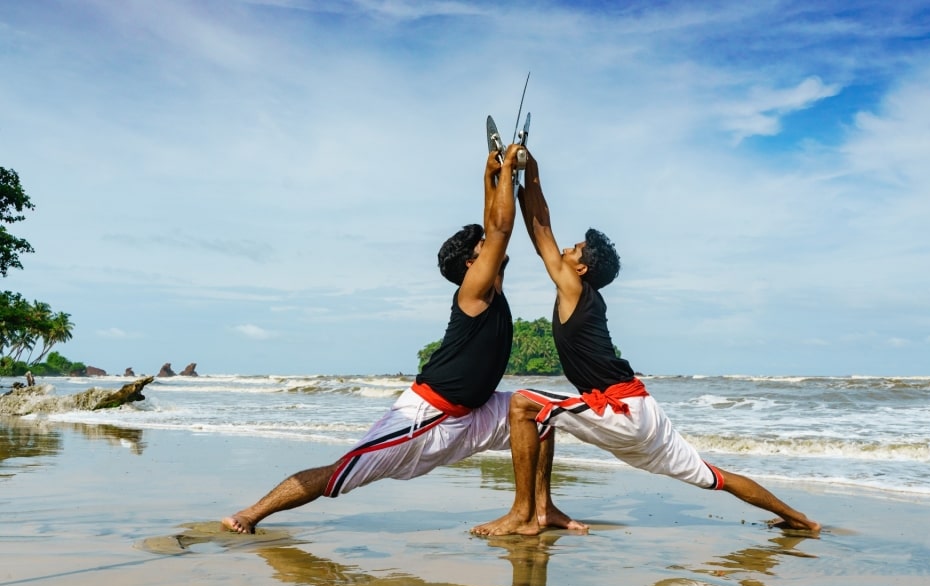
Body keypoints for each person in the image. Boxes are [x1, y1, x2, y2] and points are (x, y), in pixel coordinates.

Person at [223, 145, 582, 534]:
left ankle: (540, 511)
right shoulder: (473, 292)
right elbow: (498, 229)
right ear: (469, 266)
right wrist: (509, 168)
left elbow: (491, 229)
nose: (493, 252)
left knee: (540, 414)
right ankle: (250, 514)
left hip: (473, 414)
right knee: (340, 474)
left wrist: (491, 177)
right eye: (482, 252)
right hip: (427, 416)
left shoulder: (488, 284)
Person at [471, 151, 820, 537]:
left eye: (573, 250)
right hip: (645, 414)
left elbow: (541, 232)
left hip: (620, 410)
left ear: (581, 269)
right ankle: (801, 520)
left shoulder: (574, 289)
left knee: (523, 405)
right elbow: (543, 230)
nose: (565, 251)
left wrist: (528, 172)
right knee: (715, 476)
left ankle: (522, 514)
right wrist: (521, 178)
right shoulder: (584, 295)